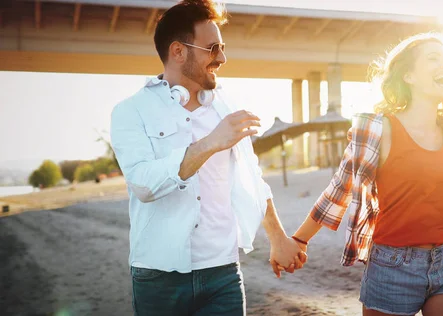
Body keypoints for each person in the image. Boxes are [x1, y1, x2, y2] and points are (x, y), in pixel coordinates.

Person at [110, 1, 305, 315]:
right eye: (213, 48)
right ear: (178, 51)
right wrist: (211, 142)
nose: (223, 58)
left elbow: (252, 177)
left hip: (223, 273)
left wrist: (278, 237)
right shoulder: (130, 111)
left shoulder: (227, 107)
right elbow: (143, 185)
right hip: (158, 277)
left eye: (223, 47)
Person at [291, 33, 443, 316]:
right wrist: (299, 240)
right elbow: (340, 189)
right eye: (434, 58)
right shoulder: (377, 130)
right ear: (408, 75)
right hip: (392, 266)